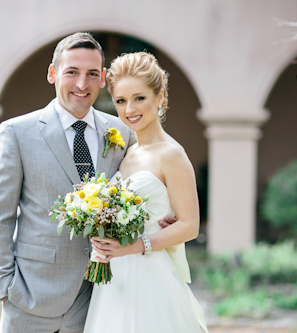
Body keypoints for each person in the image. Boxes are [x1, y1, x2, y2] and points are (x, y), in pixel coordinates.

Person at [0, 33, 175, 333]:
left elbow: (141, 186)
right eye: (72, 72)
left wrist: (161, 217)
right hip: (31, 297)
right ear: (52, 73)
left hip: (101, 297)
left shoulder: (122, 132)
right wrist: (4, 286)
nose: (82, 84)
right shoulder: (16, 133)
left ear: (103, 78)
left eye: (92, 74)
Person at [84, 52, 209, 333]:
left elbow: (190, 226)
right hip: (115, 279)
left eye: (139, 98)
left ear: (160, 97)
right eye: (121, 100)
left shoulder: (172, 154)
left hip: (150, 276)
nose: (130, 109)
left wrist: (133, 246)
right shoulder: (126, 153)